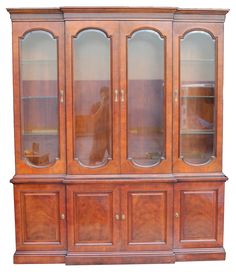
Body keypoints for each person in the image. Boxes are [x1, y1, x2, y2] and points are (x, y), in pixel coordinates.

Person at [89, 86, 110, 165]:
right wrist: (101, 105)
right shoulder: (96, 105)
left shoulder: (113, 105)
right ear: (100, 94)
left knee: (114, 156)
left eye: (107, 93)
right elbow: (94, 118)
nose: (105, 95)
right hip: (100, 134)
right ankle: (92, 172)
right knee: (94, 157)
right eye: (103, 93)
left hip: (110, 133)